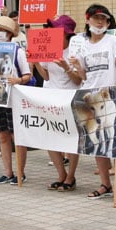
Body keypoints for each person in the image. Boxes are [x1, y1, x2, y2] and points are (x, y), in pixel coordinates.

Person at [73, 4, 116, 204]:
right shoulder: (81, 43)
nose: (101, 22)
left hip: (110, 95)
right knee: (97, 142)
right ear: (88, 19)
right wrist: (76, 67)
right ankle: (105, 184)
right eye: (97, 18)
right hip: (88, 96)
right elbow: (83, 75)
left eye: (105, 19)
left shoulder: (113, 41)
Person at [0, 16, 32, 184]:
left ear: (10, 34)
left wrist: (17, 80)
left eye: (2, 31)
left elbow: (27, 75)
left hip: (14, 98)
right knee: (2, 135)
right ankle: (8, 172)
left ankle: (20, 172)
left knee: (17, 136)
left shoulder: (18, 51)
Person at [35, 15, 82, 191]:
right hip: (51, 98)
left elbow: (78, 80)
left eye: (57, 30)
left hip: (70, 99)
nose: (52, 32)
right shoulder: (48, 48)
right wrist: (35, 63)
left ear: (66, 34)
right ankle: (61, 174)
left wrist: (66, 67)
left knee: (71, 139)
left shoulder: (74, 51)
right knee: (51, 139)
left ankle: (71, 176)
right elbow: (46, 76)